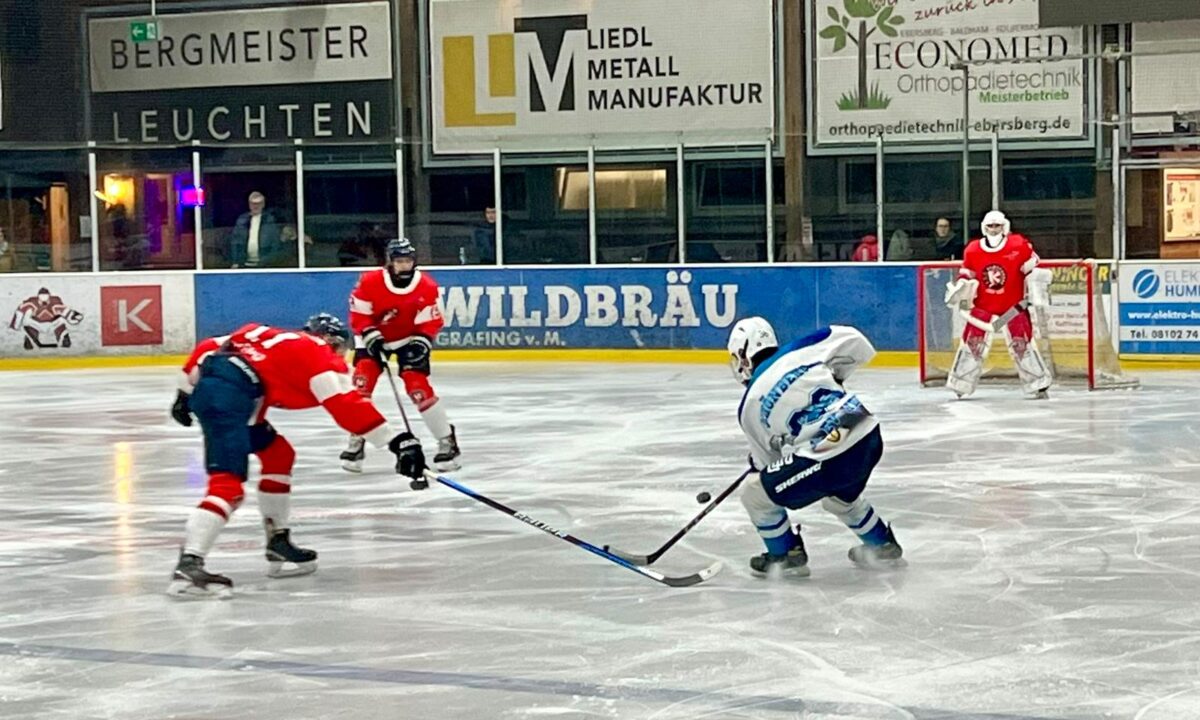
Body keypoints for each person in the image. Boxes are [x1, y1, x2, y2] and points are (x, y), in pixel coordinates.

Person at [166, 314, 428, 598]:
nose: (341, 354)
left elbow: (208, 346)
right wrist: (398, 442)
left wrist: (183, 392)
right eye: (340, 347)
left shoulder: (264, 335)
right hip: (230, 400)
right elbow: (346, 406)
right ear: (331, 340)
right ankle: (188, 566)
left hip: (231, 393)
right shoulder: (318, 353)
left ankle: (278, 541)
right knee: (227, 486)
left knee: (278, 454)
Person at [726, 317, 903, 577]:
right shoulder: (804, 348)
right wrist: (835, 377)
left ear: (743, 356)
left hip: (829, 453)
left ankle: (784, 556)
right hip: (865, 431)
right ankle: (882, 545)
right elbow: (856, 341)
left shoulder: (748, 407)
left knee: (754, 493)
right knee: (840, 496)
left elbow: (766, 467)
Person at [341, 237, 461, 473]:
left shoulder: (426, 285)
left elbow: (432, 320)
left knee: (418, 388)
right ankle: (357, 439)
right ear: (390, 262)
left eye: (408, 261)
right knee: (360, 386)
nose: (404, 266)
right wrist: (371, 335)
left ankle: (446, 440)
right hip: (372, 338)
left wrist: (422, 341)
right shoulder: (370, 281)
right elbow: (359, 315)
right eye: (399, 261)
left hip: (408, 338)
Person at [943, 210, 1053, 399]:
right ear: (984, 228)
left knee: (1022, 345)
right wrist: (962, 286)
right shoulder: (973, 249)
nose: (994, 230)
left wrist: (1031, 271)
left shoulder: (1018, 244)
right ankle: (961, 383)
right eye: (990, 226)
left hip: (1013, 307)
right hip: (982, 308)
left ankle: (1038, 383)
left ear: (1005, 227)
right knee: (972, 345)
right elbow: (967, 274)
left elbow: (1034, 261)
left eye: (997, 226)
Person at [228, 191, 283, 268]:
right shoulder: (242, 220)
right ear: (249, 205)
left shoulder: (270, 220)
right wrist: (235, 262)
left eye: (259, 203)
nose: (255, 206)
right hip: (244, 265)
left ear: (263, 204)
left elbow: (275, 244)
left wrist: (268, 262)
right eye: (253, 204)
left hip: (265, 265)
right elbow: (235, 243)